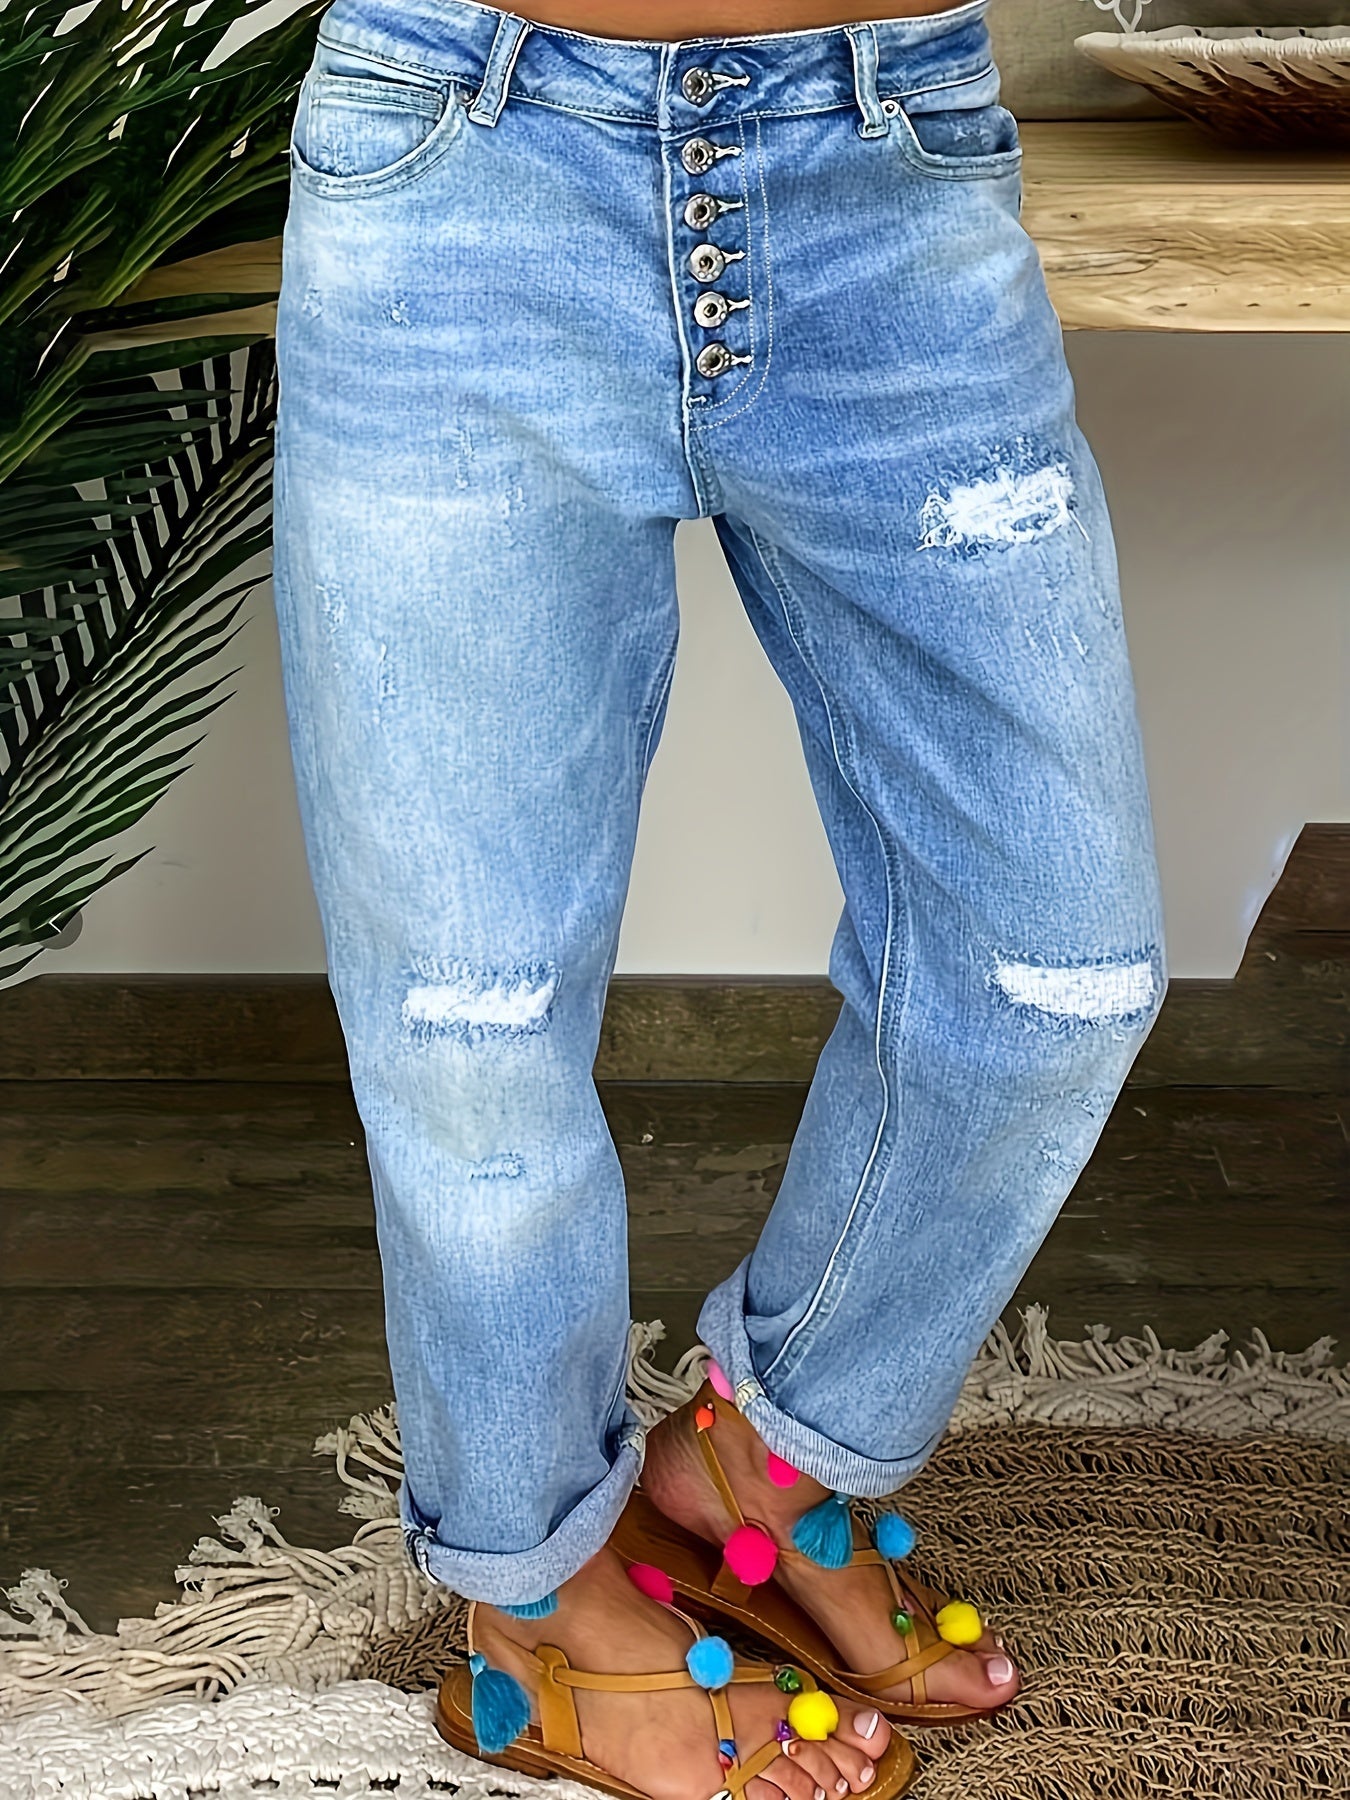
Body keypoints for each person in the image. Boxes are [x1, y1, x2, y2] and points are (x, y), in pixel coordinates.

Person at [271, 0, 1167, 1793]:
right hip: (462, 172)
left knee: (1055, 964)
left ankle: (766, 1458)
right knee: (468, 1022)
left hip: (883, 168)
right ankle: (533, 1600)